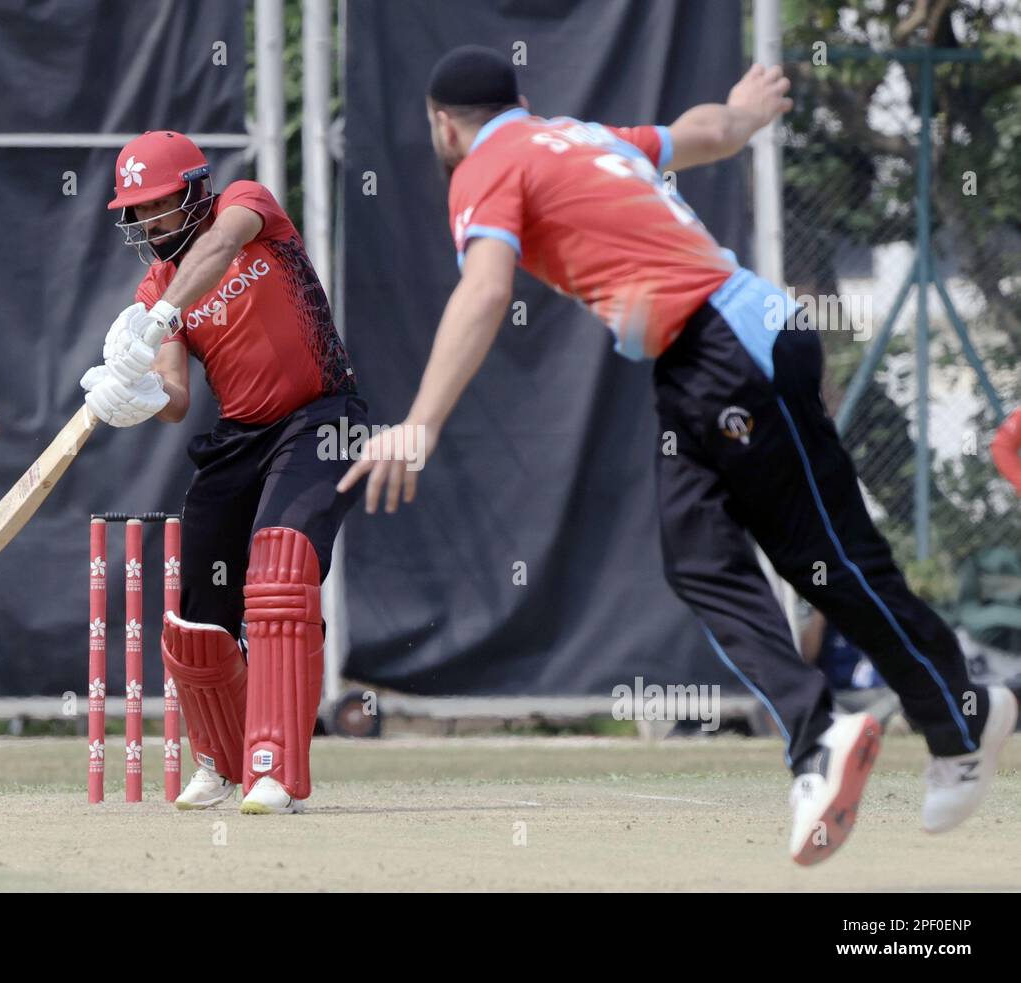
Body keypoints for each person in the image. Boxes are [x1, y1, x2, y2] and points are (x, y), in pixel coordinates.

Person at [338, 46, 1017, 864]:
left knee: (828, 559)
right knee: (699, 556)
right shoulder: (581, 136)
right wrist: (745, 112)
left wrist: (421, 420)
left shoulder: (485, 166)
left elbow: (485, 288)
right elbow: (707, 133)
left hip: (728, 344)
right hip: (706, 356)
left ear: (444, 123)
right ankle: (839, 733)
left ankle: (945, 716)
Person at [82, 130, 366, 814]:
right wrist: (140, 395)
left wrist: (160, 317)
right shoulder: (155, 287)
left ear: (196, 190)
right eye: (139, 210)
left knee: (282, 563)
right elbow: (177, 401)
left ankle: (276, 767)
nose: (150, 221)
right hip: (239, 439)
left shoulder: (247, 204)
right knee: (199, 614)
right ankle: (220, 757)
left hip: (321, 416)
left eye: (161, 204)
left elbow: (216, 249)